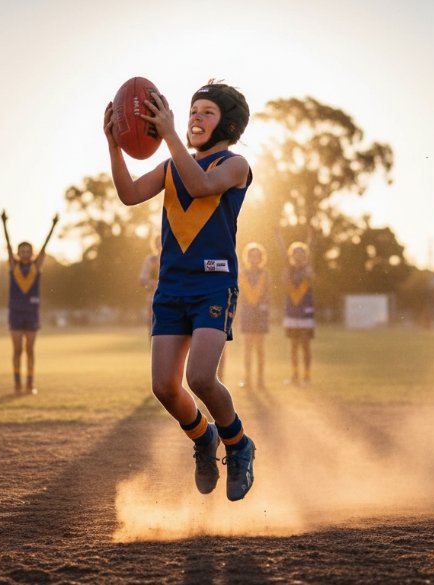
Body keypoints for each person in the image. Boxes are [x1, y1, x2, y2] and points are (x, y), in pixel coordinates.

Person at [103, 80, 256, 501]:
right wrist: (114, 145)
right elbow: (129, 194)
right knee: (165, 388)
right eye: (192, 111)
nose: (195, 118)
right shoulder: (172, 165)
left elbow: (203, 186)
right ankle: (204, 438)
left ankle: (239, 445)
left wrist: (169, 134)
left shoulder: (235, 164)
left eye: (207, 112)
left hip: (213, 284)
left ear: (229, 123)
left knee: (201, 377)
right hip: (171, 288)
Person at [2, 210, 59, 395]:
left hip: (31, 312)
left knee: (30, 350)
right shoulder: (13, 266)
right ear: (18, 253)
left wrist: (53, 225)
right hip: (16, 312)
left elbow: (45, 246)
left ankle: (30, 383)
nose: (25, 253)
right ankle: (17, 384)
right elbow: (8, 244)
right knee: (17, 349)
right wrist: (4, 224)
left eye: (28, 251)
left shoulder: (36, 266)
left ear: (31, 253)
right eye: (22, 251)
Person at [275, 226, 316, 386]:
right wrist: (278, 236)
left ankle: (306, 377)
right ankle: (294, 376)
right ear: (292, 255)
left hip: (305, 312)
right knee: (293, 347)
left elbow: (311, 250)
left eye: (302, 253)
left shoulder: (308, 270)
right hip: (292, 312)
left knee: (305, 345)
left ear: (305, 256)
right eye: (296, 253)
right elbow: (282, 254)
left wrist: (311, 237)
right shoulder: (288, 270)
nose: (298, 256)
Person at [237, 242, 270, 389]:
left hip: (261, 314)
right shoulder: (242, 273)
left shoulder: (266, 273)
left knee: (260, 349)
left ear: (261, 257)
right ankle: (247, 378)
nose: (254, 258)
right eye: (251, 255)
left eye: (257, 255)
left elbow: (269, 293)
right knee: (247, 348)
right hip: (247, 313)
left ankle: (260, 379)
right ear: (247, 257)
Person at [138, 236, 162, 337]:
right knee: (153, 327)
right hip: (154, 298)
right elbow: (142, 280)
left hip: (172, 296)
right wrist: (155, 283)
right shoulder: (151, 260)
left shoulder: (172, 259)